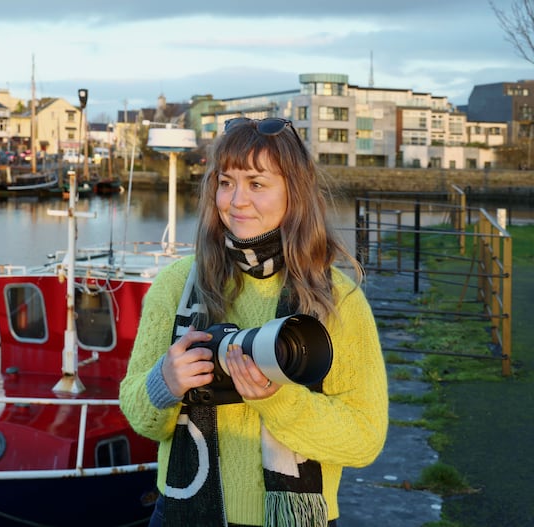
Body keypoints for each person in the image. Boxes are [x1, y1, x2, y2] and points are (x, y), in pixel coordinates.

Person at [120, 117, 388, 527]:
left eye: (257, 184)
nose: (236, 200)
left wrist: (277, 400)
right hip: (182, 513)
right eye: (225, 182)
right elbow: (138, 415)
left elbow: (365, 440)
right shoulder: (177, 284)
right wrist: (166, 382)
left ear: (294, 192)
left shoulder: (337, 298)